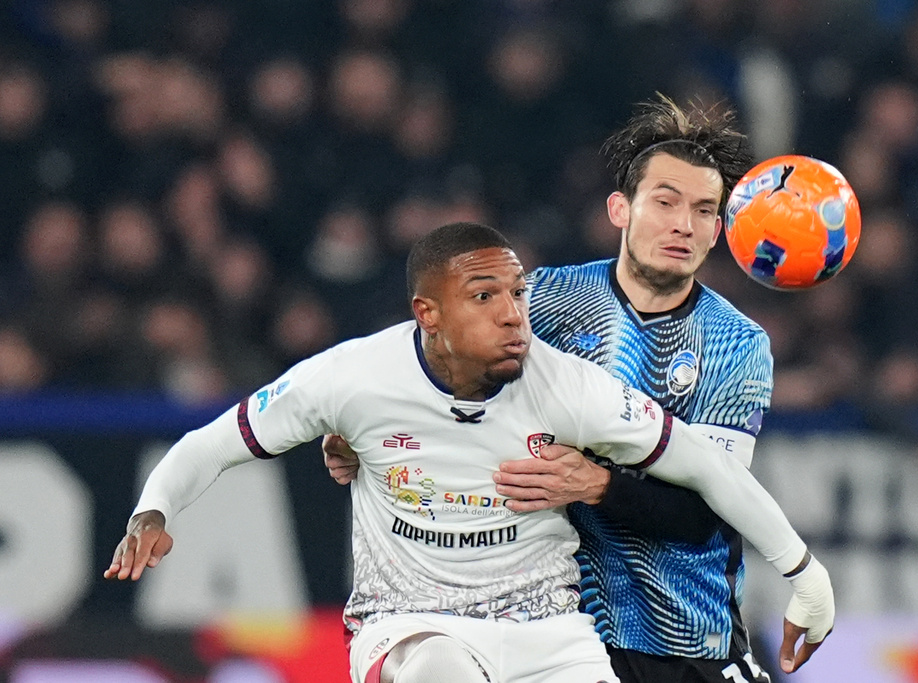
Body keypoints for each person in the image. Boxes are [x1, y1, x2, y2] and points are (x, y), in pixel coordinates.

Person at [107, 222, 833, 683]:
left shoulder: (568, 387)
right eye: (485, 296)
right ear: (428, 314)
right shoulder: (352, 378)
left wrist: (803, 570)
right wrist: (154, 506)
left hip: (552, 628)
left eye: (517, 293)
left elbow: (707, 468)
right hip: (418, 623)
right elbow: (214, 442)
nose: (514, 313)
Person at [323, 95, 797, 682]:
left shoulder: (736, 344)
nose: (682, 224)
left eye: (704, 210)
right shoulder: (545, 301)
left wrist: (599, 485)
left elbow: (705, 514)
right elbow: (435, 372)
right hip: (560, 634)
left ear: (719, 228)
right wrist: (363, 430)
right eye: (665, 202)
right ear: (620, 209)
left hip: (688, 639)